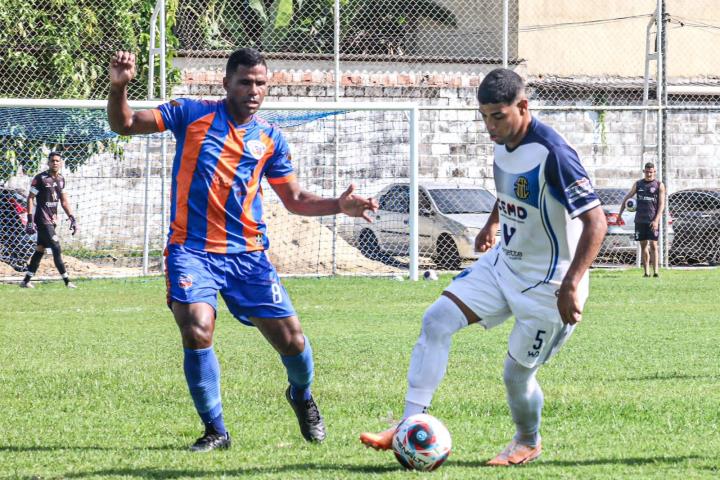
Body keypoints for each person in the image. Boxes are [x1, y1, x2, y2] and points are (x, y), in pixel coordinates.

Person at [107, 48, 378, 452]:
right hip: (191, 250)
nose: (254, 91)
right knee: (196, 327)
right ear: (226, 84)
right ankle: (216, 430)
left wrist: (339, 205)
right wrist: (119, 87)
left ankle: (301, 396)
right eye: (245, 82)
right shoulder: (190, 113)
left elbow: (296, 198)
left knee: (293, 342)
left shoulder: (270, 138)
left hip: (248, 257)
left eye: (261, 83)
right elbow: (125, 123)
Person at [359, 68, 607, 466]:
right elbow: (509, 189)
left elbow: (597, 221)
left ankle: (527, 441)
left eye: (498, 116)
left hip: (549, 286)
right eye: (485, 116)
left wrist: (572, 283)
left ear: (522, 107)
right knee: (437, 319)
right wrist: (493, 223)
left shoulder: (555, 154)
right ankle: (408, 425)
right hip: (503, 265)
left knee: (516, 376)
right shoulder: (502, 143)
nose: (490, 126)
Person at [20, 151, 78, 289]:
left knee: (40, 249)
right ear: (48, 162)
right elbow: (30, 198)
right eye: (52, 160)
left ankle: (26, 280)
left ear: (61, 163)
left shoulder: (61, 179)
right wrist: (29, 219)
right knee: (56, 247)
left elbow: (64, 202)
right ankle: (67, 281)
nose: (55, 163)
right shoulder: (40, 178)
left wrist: (72, 218)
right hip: (42, 219)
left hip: (52, 220)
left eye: (58, 160)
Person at [617, 162, 665, 277]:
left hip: (652, 220)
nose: (649, 174)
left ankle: (656, 272)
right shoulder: (638, 184)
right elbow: (627, 198)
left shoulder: (659, 185)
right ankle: (646, 272)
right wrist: (620, 214)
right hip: (640, 220)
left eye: (651, 171)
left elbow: (662, 204)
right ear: (644, 172)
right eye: (647, 171)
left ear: (654, 171)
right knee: (643, 245)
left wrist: (656, 220)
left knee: (653, 245)